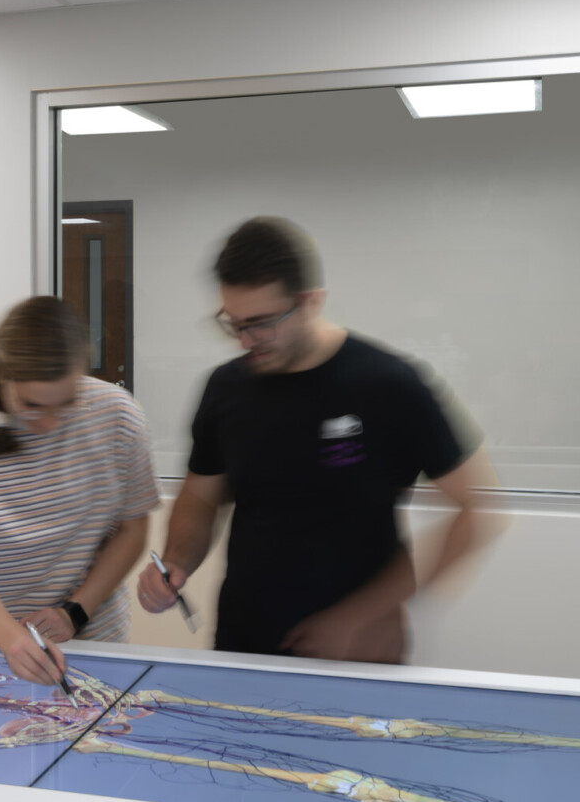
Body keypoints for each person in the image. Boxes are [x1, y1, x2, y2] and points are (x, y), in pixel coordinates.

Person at [137, 217, 495, 664]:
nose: (245, 340)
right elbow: (201, 497)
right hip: (245, 644)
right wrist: (176, 562)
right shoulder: (226, 388)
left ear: (310, 302)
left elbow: (475, 508)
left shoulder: (388, 384)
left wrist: (366, 615)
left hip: (359, 653)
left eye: (262, 323)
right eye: (234, 323)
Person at [0, 296, 160, 685]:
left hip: (92, 639)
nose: (50, 423)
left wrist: (75, 612)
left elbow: (133, 530)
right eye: (32, 405)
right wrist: (13, 641)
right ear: (4, 377)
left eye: (66, 404)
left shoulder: (118, 417)